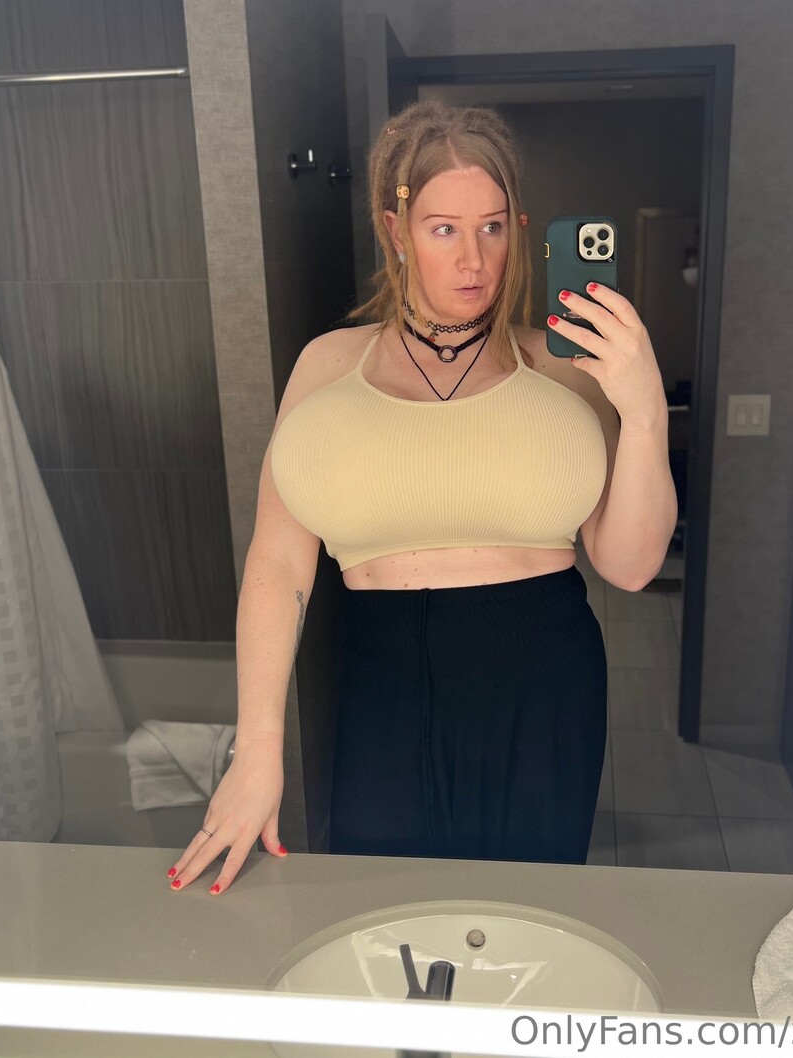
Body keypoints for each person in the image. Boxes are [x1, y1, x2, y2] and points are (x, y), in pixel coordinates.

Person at [166, 101, 676, 895]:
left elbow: (633, 564)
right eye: (444, 229)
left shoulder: (570, 369)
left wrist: (644, 410)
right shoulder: (326, 368)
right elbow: (279, 564)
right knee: (386, 918)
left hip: (543, 683)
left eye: (493, 227)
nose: (474, 259)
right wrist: (257, 749)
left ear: (519, 229)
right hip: (381, 683)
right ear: (396, 231)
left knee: (528, 921)